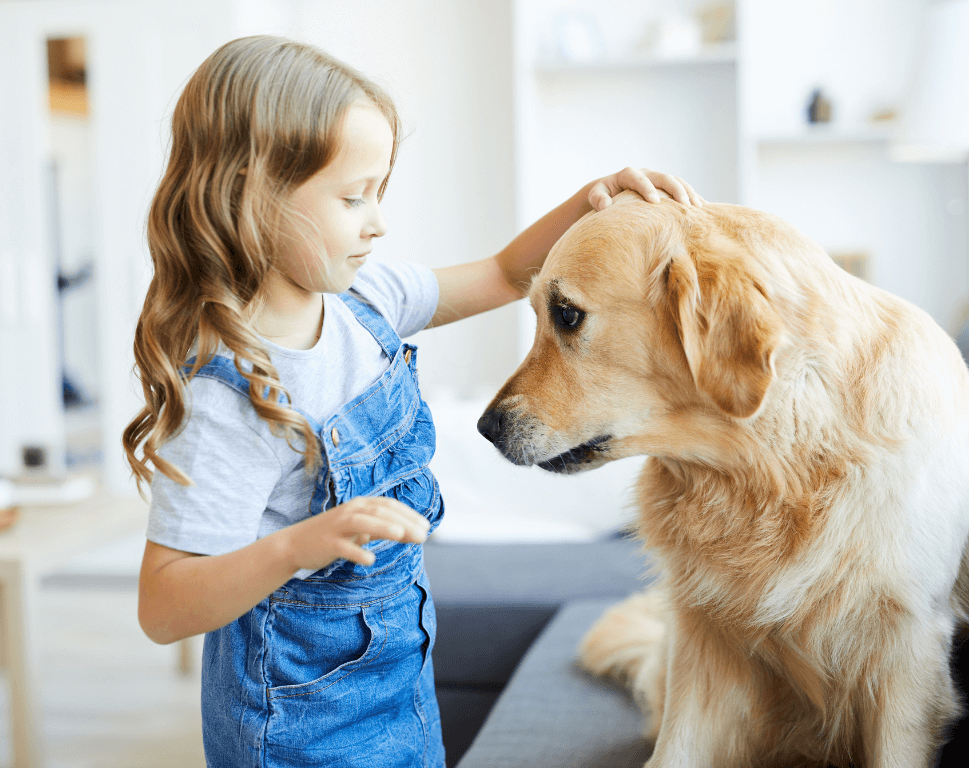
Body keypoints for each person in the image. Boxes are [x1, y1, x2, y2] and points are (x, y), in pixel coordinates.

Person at [124, 35, 703, 768]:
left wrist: (595, 199)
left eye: (380, 193)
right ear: (254, 189)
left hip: (399, 691)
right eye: (353, 196)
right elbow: (165, 605)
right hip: (296, 728)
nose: (377, 220)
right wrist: (297, 546)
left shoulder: (370, 301)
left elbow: (502, 271)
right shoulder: (228, 393)